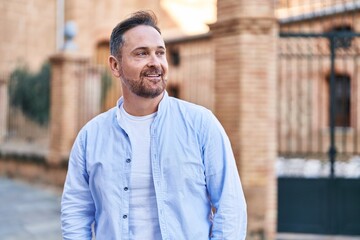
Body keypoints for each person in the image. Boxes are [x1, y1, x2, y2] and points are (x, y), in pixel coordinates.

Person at [61, 10, 247, 240]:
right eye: (141, 54)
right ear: (115, 65)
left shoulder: (201, 125)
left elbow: (231, 207)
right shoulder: (91, 136)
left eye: (160, 53)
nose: (155, 63)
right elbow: (76, 212)